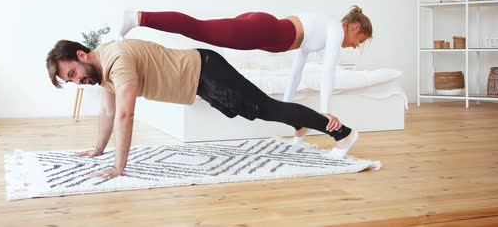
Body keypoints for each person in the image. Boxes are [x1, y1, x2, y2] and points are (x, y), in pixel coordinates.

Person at [46, 39, 359, 178]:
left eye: (73, 73)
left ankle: (341, 132)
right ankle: (298, 123)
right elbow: (108, 113)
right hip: (199, 79)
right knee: (251, 110)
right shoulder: (102, 74)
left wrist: (119, 167)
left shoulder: (117, 62)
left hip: (206, 71)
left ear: (82, 55)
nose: (77, 81)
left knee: (264, 108)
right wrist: (99, 150)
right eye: (70, 80)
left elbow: (126, 115)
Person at [116, 6, 372, 145]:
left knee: (201, 28)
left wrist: (289, 106)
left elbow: (298, 66)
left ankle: (139, 17)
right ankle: (138, 17)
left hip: (266, 30)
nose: (354, 45)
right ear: (355, 27)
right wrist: (326, 111)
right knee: (200, 28)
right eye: (358, 40)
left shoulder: (325, 27)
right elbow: (328, 71)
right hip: (266, 32)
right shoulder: (336, 30)